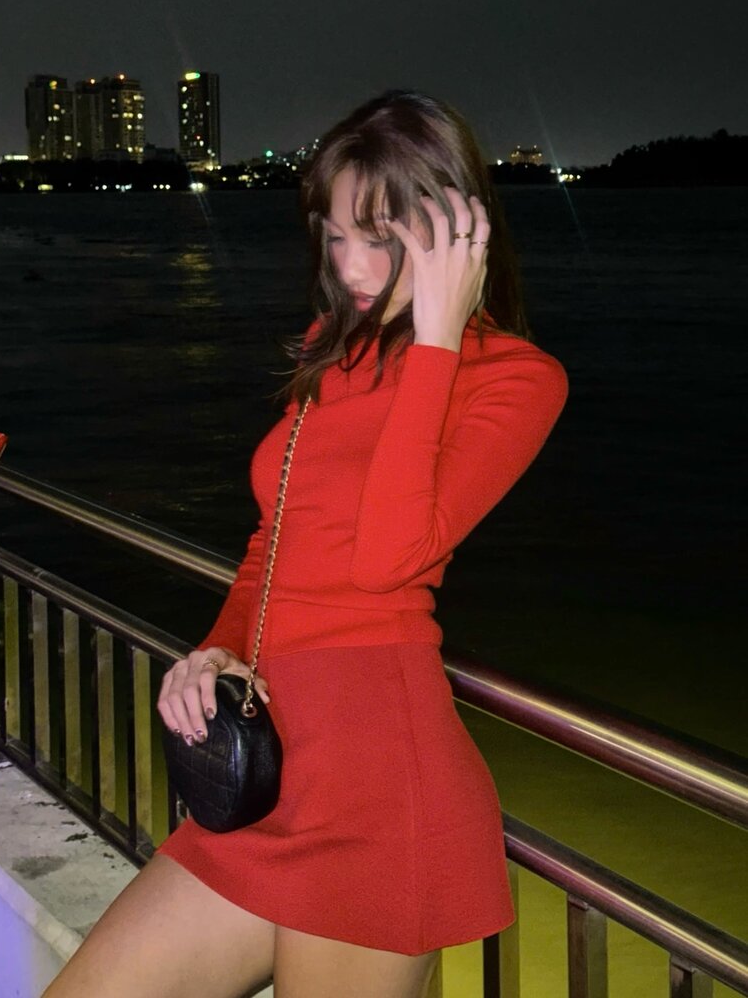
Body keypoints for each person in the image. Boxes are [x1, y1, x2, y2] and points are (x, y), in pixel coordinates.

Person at [42, 89, 568, 998]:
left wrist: (437, 343)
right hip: (270, 779)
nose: (352, 267)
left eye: (381, 237)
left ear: (454, 232)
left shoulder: (516, 379)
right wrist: (217, 649)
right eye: (334, 236)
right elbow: (273, 544)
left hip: (378, 795)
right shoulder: (336, 347)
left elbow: (388, 560)